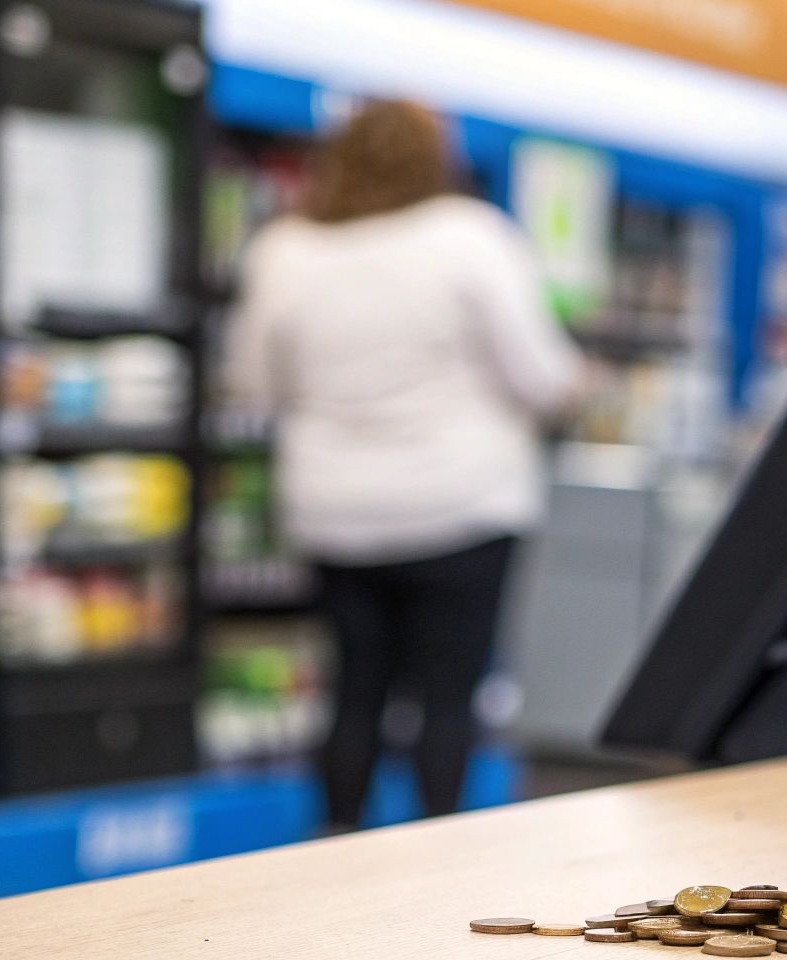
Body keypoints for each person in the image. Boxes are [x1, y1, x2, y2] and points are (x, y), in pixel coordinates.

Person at [227, 100, 582, 830]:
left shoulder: (284, 250)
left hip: (335, 513)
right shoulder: (472, 239)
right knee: (448, 699)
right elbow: (544, 379)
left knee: (353, 694)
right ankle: (437, 862)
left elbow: (250, 384)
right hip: (462, 506)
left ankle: (334, 851)